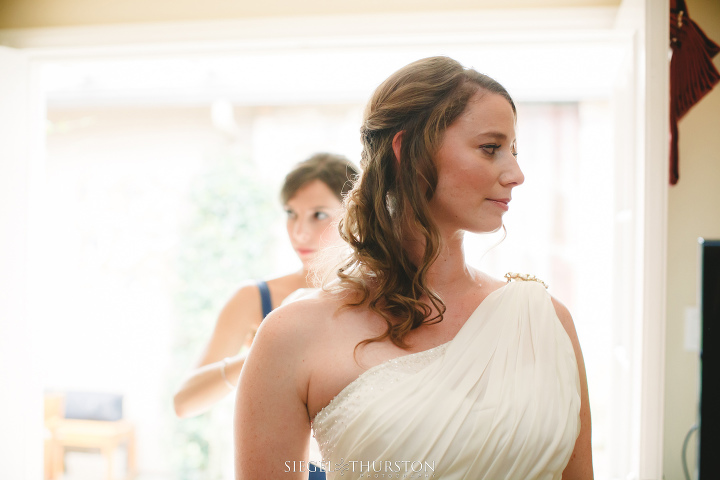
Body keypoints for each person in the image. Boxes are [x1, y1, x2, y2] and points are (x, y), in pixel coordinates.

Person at [234, 56, 593, 479]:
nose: (516, 173)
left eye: (514, 151)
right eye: (491, 148)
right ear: (407, 151)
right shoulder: (291, 336)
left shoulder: (544, 320)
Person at [173, 152, 359, 419]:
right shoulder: (255, 298)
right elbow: (184, 403)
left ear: (355, 215)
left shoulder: (380, 295)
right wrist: (262, 354)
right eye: (291, 214)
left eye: (318, 215)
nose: (299, 232)